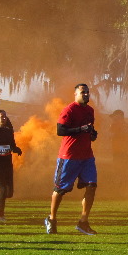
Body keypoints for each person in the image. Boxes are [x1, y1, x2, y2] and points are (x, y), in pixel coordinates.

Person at [45, 84, 98, 235]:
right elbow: (60, 130)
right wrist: (80, 130)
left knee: (91, 186)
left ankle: (83, 222)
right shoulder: (69, 110)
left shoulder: (90, 110)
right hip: (69, 156)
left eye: (87, 92)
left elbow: (89, 129)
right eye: (83, 92)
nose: (86, 95)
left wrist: (92, 134)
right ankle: (52, 219)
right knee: (60, 189)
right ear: (75, 94)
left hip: (87, 156)